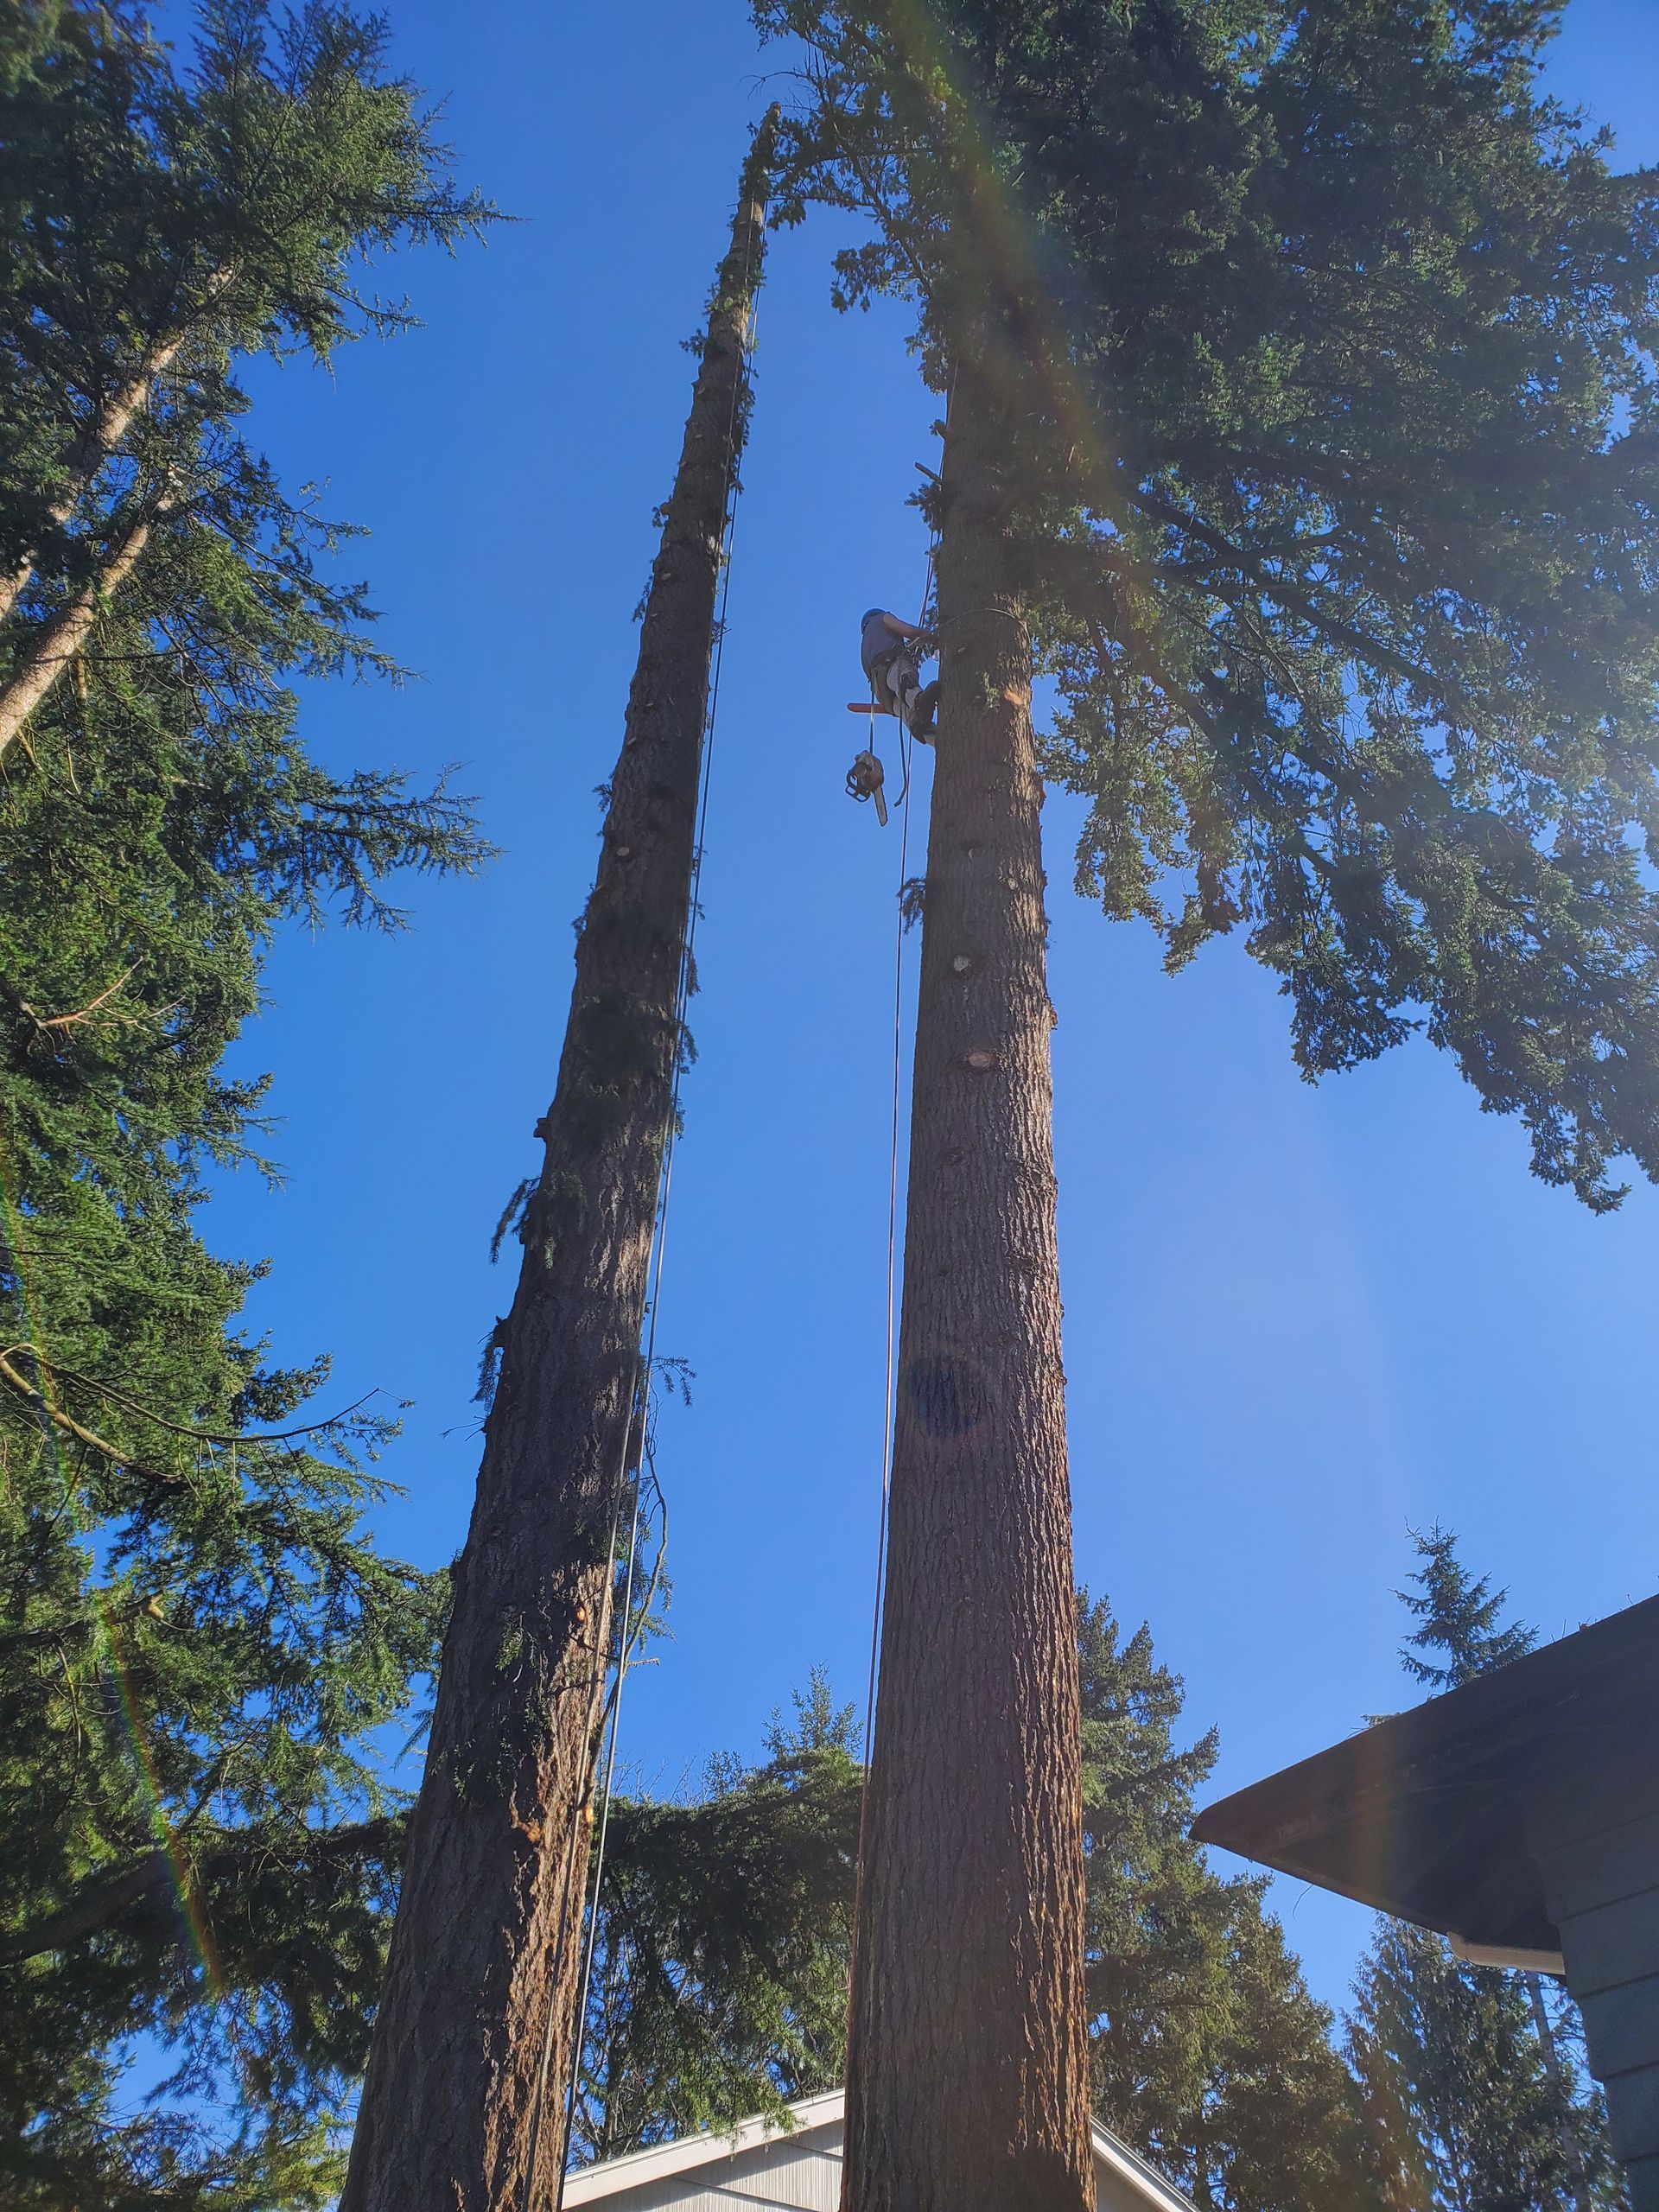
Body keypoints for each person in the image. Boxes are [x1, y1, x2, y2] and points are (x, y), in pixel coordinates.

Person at [860, 607, 938, 738]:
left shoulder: (864, 647)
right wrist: (933, 637)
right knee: (905, 682)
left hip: (882, 693)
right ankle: (918, 702)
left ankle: (932, 738)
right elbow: (909, 631)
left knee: (904, 712)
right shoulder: (882, 618)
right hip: (891, 665)